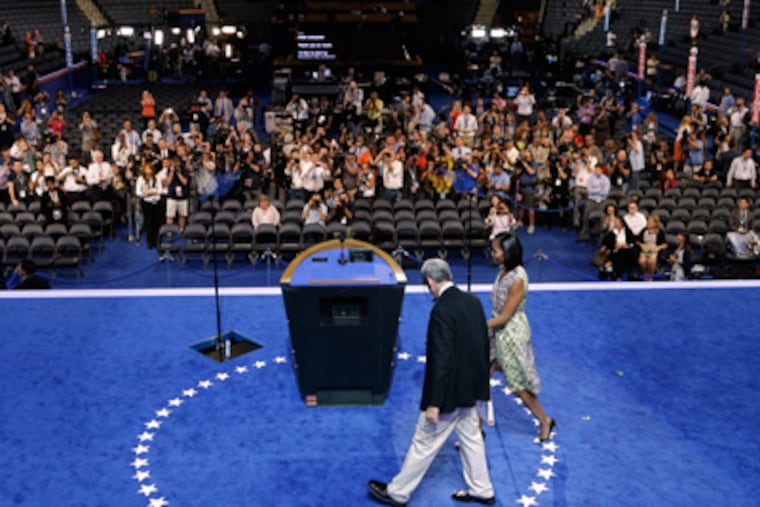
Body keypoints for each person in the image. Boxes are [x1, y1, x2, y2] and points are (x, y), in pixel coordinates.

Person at [368, 258, 495, 507]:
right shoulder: (473, 301)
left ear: (430, 282)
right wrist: (481, 390)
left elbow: (441, 359)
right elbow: (483, 346)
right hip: (470, 390)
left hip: (448, 395)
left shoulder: (441, 311)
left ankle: (398, 493)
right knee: (471, 438)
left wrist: (434, 403)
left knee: (423, 442)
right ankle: (482, 488)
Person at [488, 233, 555, 441]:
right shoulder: (503, 270)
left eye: (496, 250)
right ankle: (476, 429)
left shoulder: (517, 279)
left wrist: (476, 326)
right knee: (481, 379)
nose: (492, 253)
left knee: (519, 385)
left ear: (508, 253)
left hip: (510, 334)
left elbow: (506, 316)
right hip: (496, 331)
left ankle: (545, 420)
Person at [637, 214, 667, 281]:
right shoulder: (644, 230)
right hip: (645, 250)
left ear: (655, 223)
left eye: (650, 222)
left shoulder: (660, 232)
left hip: (654, 250)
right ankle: (646, 275)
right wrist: (642, 245)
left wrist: (658, 248)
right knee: (642, 261)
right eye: (648, 221)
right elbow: (637, 241)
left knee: (651, 261)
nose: (648, 223)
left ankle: (650, 276)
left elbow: (665, 244)